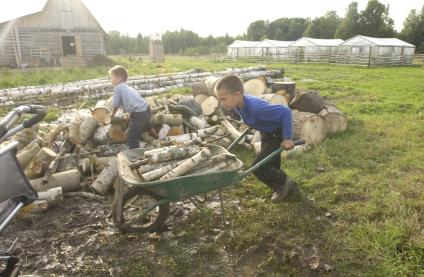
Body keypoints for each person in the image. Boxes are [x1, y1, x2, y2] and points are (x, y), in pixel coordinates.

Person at [216, 74, 299, 202]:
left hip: (278, 134)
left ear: (237, 95)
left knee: (259, 167)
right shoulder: (238, 105)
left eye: (224, 99)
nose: (222, 103)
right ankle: (287, 187)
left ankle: (284, 183)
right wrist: (253, 124)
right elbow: (249, 116)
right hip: (267, 133)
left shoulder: (256, 108)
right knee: (271, 164)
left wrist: (287, 138)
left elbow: (285, 112)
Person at [109, 65, 155, 149]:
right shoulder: (126, 86)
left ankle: (136, 155)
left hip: (139, 113)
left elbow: (115, 104)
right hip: (146, 109)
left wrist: (112, 116)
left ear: (119, 78)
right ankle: (158, 138)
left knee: (131, 136)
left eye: (111, 77)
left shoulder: (117, 88)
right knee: (146, 126)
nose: (110, 80)